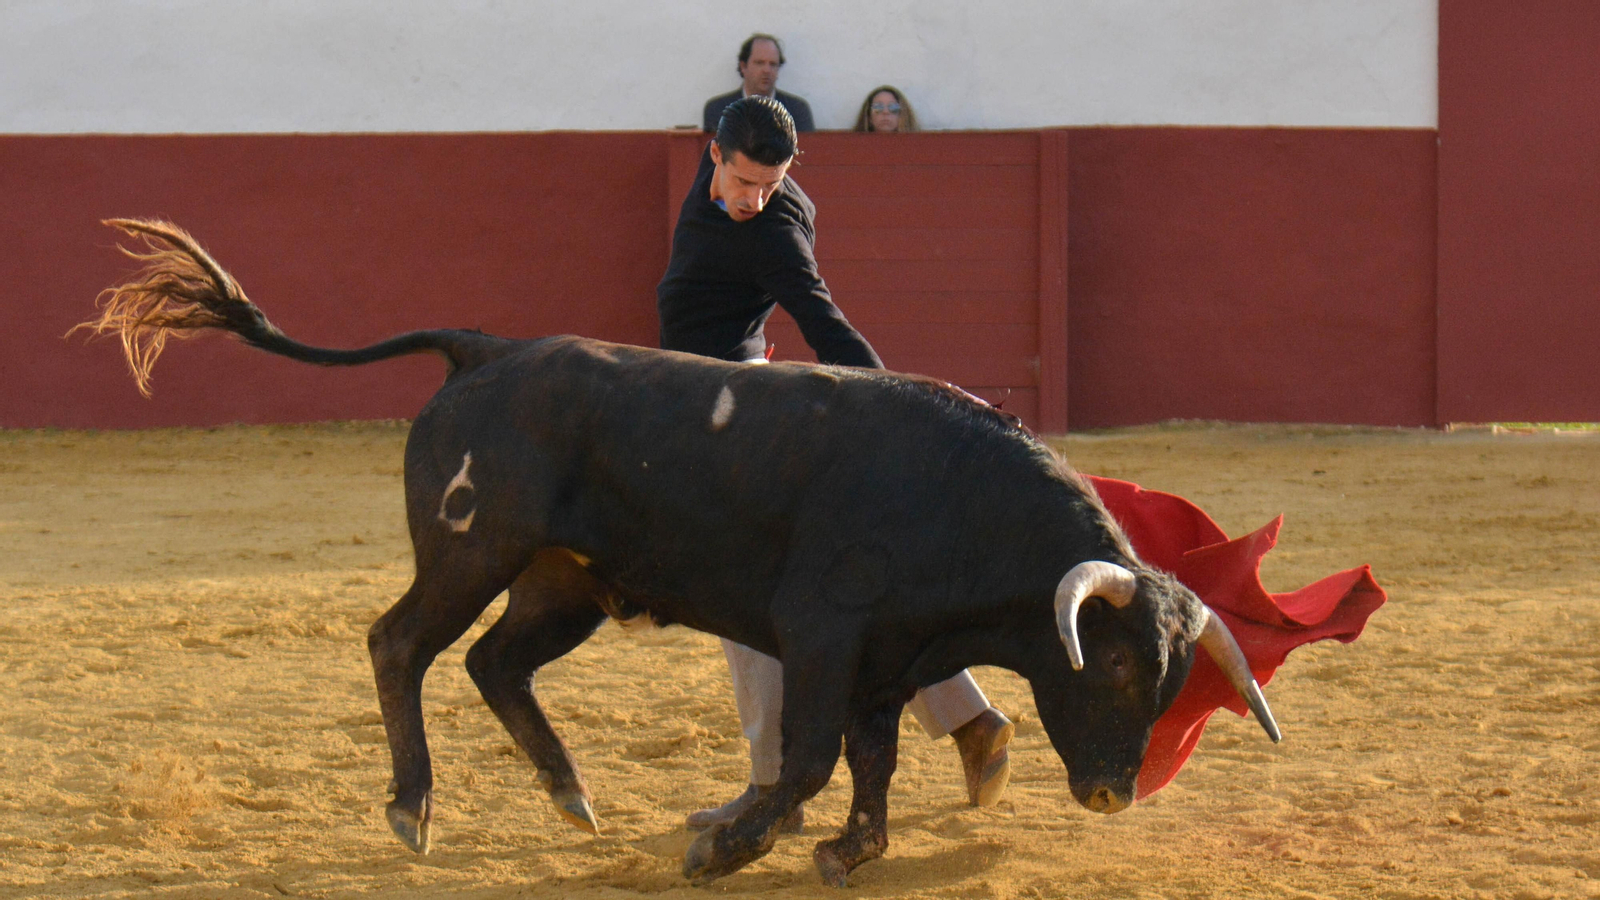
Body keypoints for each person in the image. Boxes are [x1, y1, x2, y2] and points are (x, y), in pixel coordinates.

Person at [658, 95, 1013, 831]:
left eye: (774, 183)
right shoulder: (725, 160)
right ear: (713, 153)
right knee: (848, 583)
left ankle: (771, 791)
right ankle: (971, 721)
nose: (758, 199)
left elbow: (830, 329)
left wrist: (907, 411)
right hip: (720, 397)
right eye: (748, 181)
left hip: (739, 420)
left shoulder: (776, 231)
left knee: (743, 599)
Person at [702, 34, 816, 134]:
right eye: (759, 63)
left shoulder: (796, 110)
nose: (766, 70)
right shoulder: (719, 109)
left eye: (773, 64)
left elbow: (806, 153)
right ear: (743, 66)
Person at [853, 85, 919, 133]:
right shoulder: (853, 146)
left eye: (893, 107)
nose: (885, 112)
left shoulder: (918, 146)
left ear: (903, 114)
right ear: (869, 117)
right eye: (878, 107)